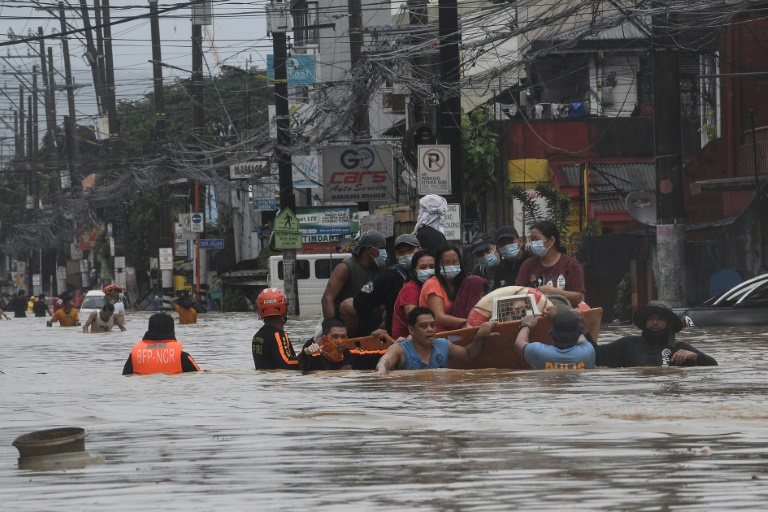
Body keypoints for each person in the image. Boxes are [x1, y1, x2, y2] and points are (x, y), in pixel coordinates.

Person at [374, 307, 499, 375]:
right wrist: (381, 370)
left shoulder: (443, 344)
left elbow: (468, 355)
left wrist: (480, 336)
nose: (430, 330)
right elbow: (384, 362)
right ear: (411, 330)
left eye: (432, 325)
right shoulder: (399, 349)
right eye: (424, 326)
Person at [595, 300, 718, 367]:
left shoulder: (679, 349)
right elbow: (594, 354)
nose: (655, 322)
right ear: (645, 321)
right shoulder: (628, 345)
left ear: (669, 323)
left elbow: (713, 364)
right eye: (651, 318)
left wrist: (695, 356)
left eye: (660, 319)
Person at [353, 234, 422, 337]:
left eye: (410, 250)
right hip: (400, 337)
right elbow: (361, 298)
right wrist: (372, 329)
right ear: (396, 255)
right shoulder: (391, 276)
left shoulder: (429, 273)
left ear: (420, 250)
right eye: (401, 252)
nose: (406, 255)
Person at [321, 229, 386, 334]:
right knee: (350, 305)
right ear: (369, 249)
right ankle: (350, 337)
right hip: (347, 317)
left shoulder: (380, 267)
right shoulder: (345, 267)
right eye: (381, 248)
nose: (384, 252)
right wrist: (331, 328)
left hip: (369, 313)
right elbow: (327, 299)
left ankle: (375, 335)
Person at [515, 220, 586, 307]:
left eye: (536, 239)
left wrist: (553, 292)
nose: (533, 243)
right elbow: (518, 293)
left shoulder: (570, 264)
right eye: (532, 239)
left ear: (551, 240)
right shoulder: (528, 265)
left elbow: (578, 297)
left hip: (564, 315)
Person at [419, 245, 486, 333]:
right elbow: (439, 317)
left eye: (455, 262)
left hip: (461, 330)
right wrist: (468, 322)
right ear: (439, 264)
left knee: (474, 281)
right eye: (446, 262)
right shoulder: (432, 284)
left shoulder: (462, 282)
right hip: (438, 335)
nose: (451, 266)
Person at [122, 312, 201, 375]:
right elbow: (198, 376)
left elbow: (125, 378)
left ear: (149, 329)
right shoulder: (182, 356)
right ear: (172, 330)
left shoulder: (135, 356)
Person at [515, 310, 596, 370]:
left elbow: (519, 342)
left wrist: (526, 325)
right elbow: (580, 335)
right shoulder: (588, 351)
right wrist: (568, 319)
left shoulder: (537, 351)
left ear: (552, 334)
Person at [252, 288, 299, 370]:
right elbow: (287, 364)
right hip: (279, 382)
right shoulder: (278, 335)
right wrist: (306, 355)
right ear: (284, 309)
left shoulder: (257, 336)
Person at [392, 250, 435, 340]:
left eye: (432, 267)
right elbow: (415, 319)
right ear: (415, 271)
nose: (428, 270)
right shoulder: (410, 289)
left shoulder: (435, 286)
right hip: (406, 340)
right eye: (423, 267)